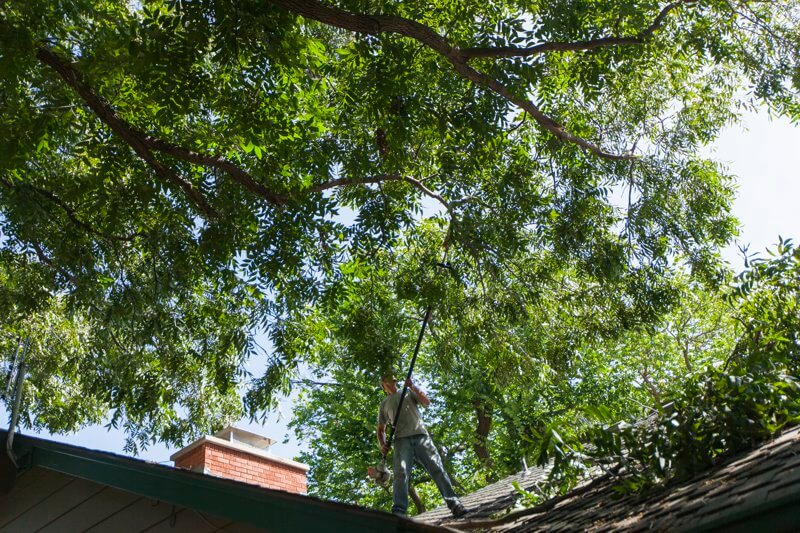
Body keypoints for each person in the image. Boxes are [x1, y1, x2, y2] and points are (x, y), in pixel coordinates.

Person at [376, 374, 467, 518]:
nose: (392, 379)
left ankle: (455, 504)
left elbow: (426, 401)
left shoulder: (407, 392)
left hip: (421, 436)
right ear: (383, 384)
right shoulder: (384, 404)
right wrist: (382, 444)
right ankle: (399, 512)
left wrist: (412, 386)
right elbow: (381, 430)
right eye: (387, 377)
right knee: (400, 474)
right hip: (401, 440)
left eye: (393, 377)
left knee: (436, 467)